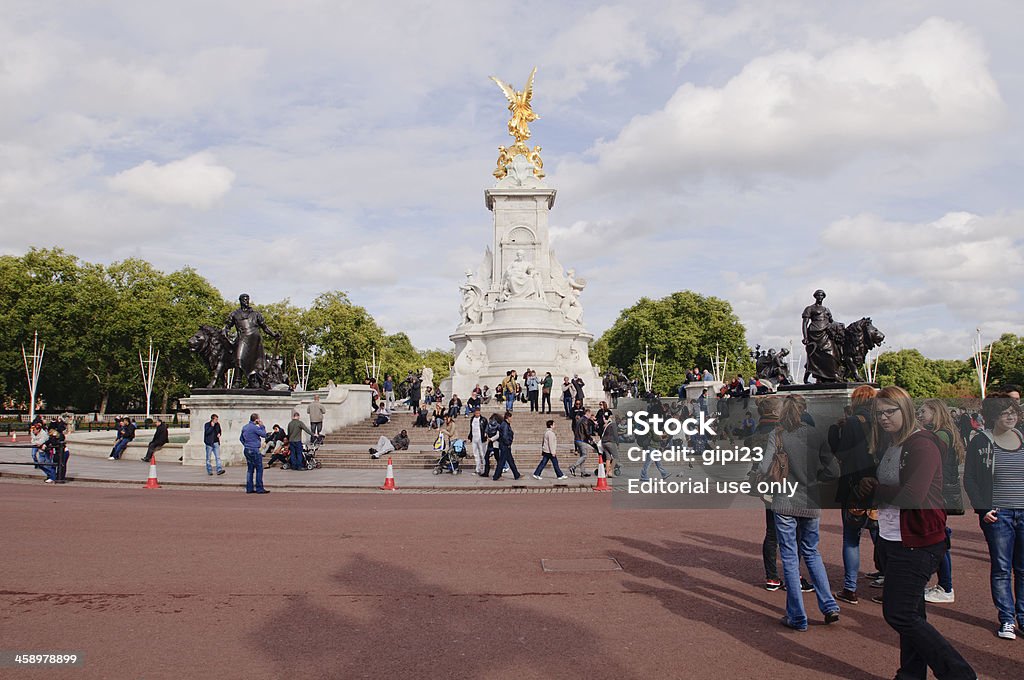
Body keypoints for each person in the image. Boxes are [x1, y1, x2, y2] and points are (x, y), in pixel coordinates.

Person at [858, 386, 975, 678]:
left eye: (890, 411)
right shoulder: (893, 444)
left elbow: (913, 495)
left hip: (917, 541)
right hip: (893, 537)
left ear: (906, 410)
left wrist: (875, 490)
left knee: (899, 613)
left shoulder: (922, 444)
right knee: (912, 613)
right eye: (879, 413)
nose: (884, 418)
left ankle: (959, 673)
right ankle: (910, 674)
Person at [758, 395, 841, 631]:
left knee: (790, 557)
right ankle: (828, 604)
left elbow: (765, 467)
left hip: (785, 500)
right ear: (805, 410)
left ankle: (797, 615)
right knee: (812, 552)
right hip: (810, 499)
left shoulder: (778, 434)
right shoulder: (816, 435)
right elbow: (834, 470)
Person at [964, 394, 1024, 640]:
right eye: (1005, 413)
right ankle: (1007, 619)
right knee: (1001, 568)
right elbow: (970, 478)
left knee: (1022, 568)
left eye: (1014, 412)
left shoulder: (1021, 437)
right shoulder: (981, 442)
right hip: (998, 514)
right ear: (993, 417)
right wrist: (982, 508)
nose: (1011, 417)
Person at [829, 385, 878, 605]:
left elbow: (841, 452)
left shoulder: (851, 422)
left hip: (854, 484)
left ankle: (850, 587)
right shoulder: (881, 422)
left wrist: (835, 431)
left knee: (851, 537)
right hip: (878, 482)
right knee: (881, 535)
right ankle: (887, 575)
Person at [918, 398, 965, 605]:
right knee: (940, 539)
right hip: (944, 492)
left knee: (939, 542)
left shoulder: (940, 435)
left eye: (924, 412)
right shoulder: (947, 433)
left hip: (939, 493)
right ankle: (944, 584)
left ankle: (946, 586)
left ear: (935, 414)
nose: (921, 416)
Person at [240, 413, 269, 494]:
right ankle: (259, 488)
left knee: (250, 470)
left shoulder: (245, 427)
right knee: (259, 469)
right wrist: (262, 426)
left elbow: (241, 438)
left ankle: (249, 488)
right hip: (254, 449)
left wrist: (246, 444)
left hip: (247, 449)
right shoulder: (255, 428)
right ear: (256, 419)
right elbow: (264, 435)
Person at [492, 411, 520, 481]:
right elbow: (504, 436)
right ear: (508, 417)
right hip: (505, 446)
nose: (512, 419)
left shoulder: (506, 424)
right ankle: (496, 476)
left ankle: (516, 474)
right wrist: (508, 443)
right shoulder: (505, 425)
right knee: (502, 462)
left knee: (510, 461)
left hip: (505, 446)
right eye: (511, 417)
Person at [569, 408, 597, 478]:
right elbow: (586, 431)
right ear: (587, 413)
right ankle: (573, 466)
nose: (590, 415)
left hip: (577, 439)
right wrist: (591, 438)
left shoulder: (580, 419)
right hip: (581, 440)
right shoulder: (585, 420)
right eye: (590, 414)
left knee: (582, 456)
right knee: (584, 455)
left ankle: (583, 472)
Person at [467, 407, 488, 475]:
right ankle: (477, 468)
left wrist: (486, 434)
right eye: (476, 413)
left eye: (478, 413)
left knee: (482, 454)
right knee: (476, 454)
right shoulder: (472, 419)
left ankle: (485, 469)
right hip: (474, 438)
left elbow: (486, 428)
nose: (477, 414)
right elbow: (471, 429)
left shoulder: (483, 419)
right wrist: (470, 437)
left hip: (481, 438)